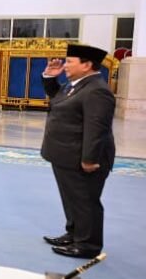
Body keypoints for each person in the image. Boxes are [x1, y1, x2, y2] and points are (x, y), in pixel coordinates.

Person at [41, 44, 115, 259]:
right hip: (65, 155)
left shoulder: (97, 90)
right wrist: (49, 77)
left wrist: (90, 159)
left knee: (85, 201)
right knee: (72, 198)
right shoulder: (75, 85)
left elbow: (97, 127)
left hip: (83, 158)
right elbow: (58, 99)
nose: (64, 66)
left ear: (87, 65)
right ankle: (74, 233)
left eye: (69, 62)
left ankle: (87, 246)